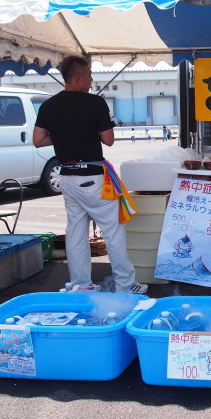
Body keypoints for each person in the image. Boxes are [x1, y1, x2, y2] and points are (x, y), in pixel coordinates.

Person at [33, 55, 148, 295]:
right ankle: (126, 284)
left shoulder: (48, 105)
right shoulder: (95, 103)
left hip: (67, 177)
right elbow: (108, 139)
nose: (92, 80)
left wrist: (65, 135)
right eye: (89, 76)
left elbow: (38, 140)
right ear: (78, 77)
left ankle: (81, 284)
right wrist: (86, 132)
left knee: (75, 231)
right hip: (92, 177)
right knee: (112, 229)